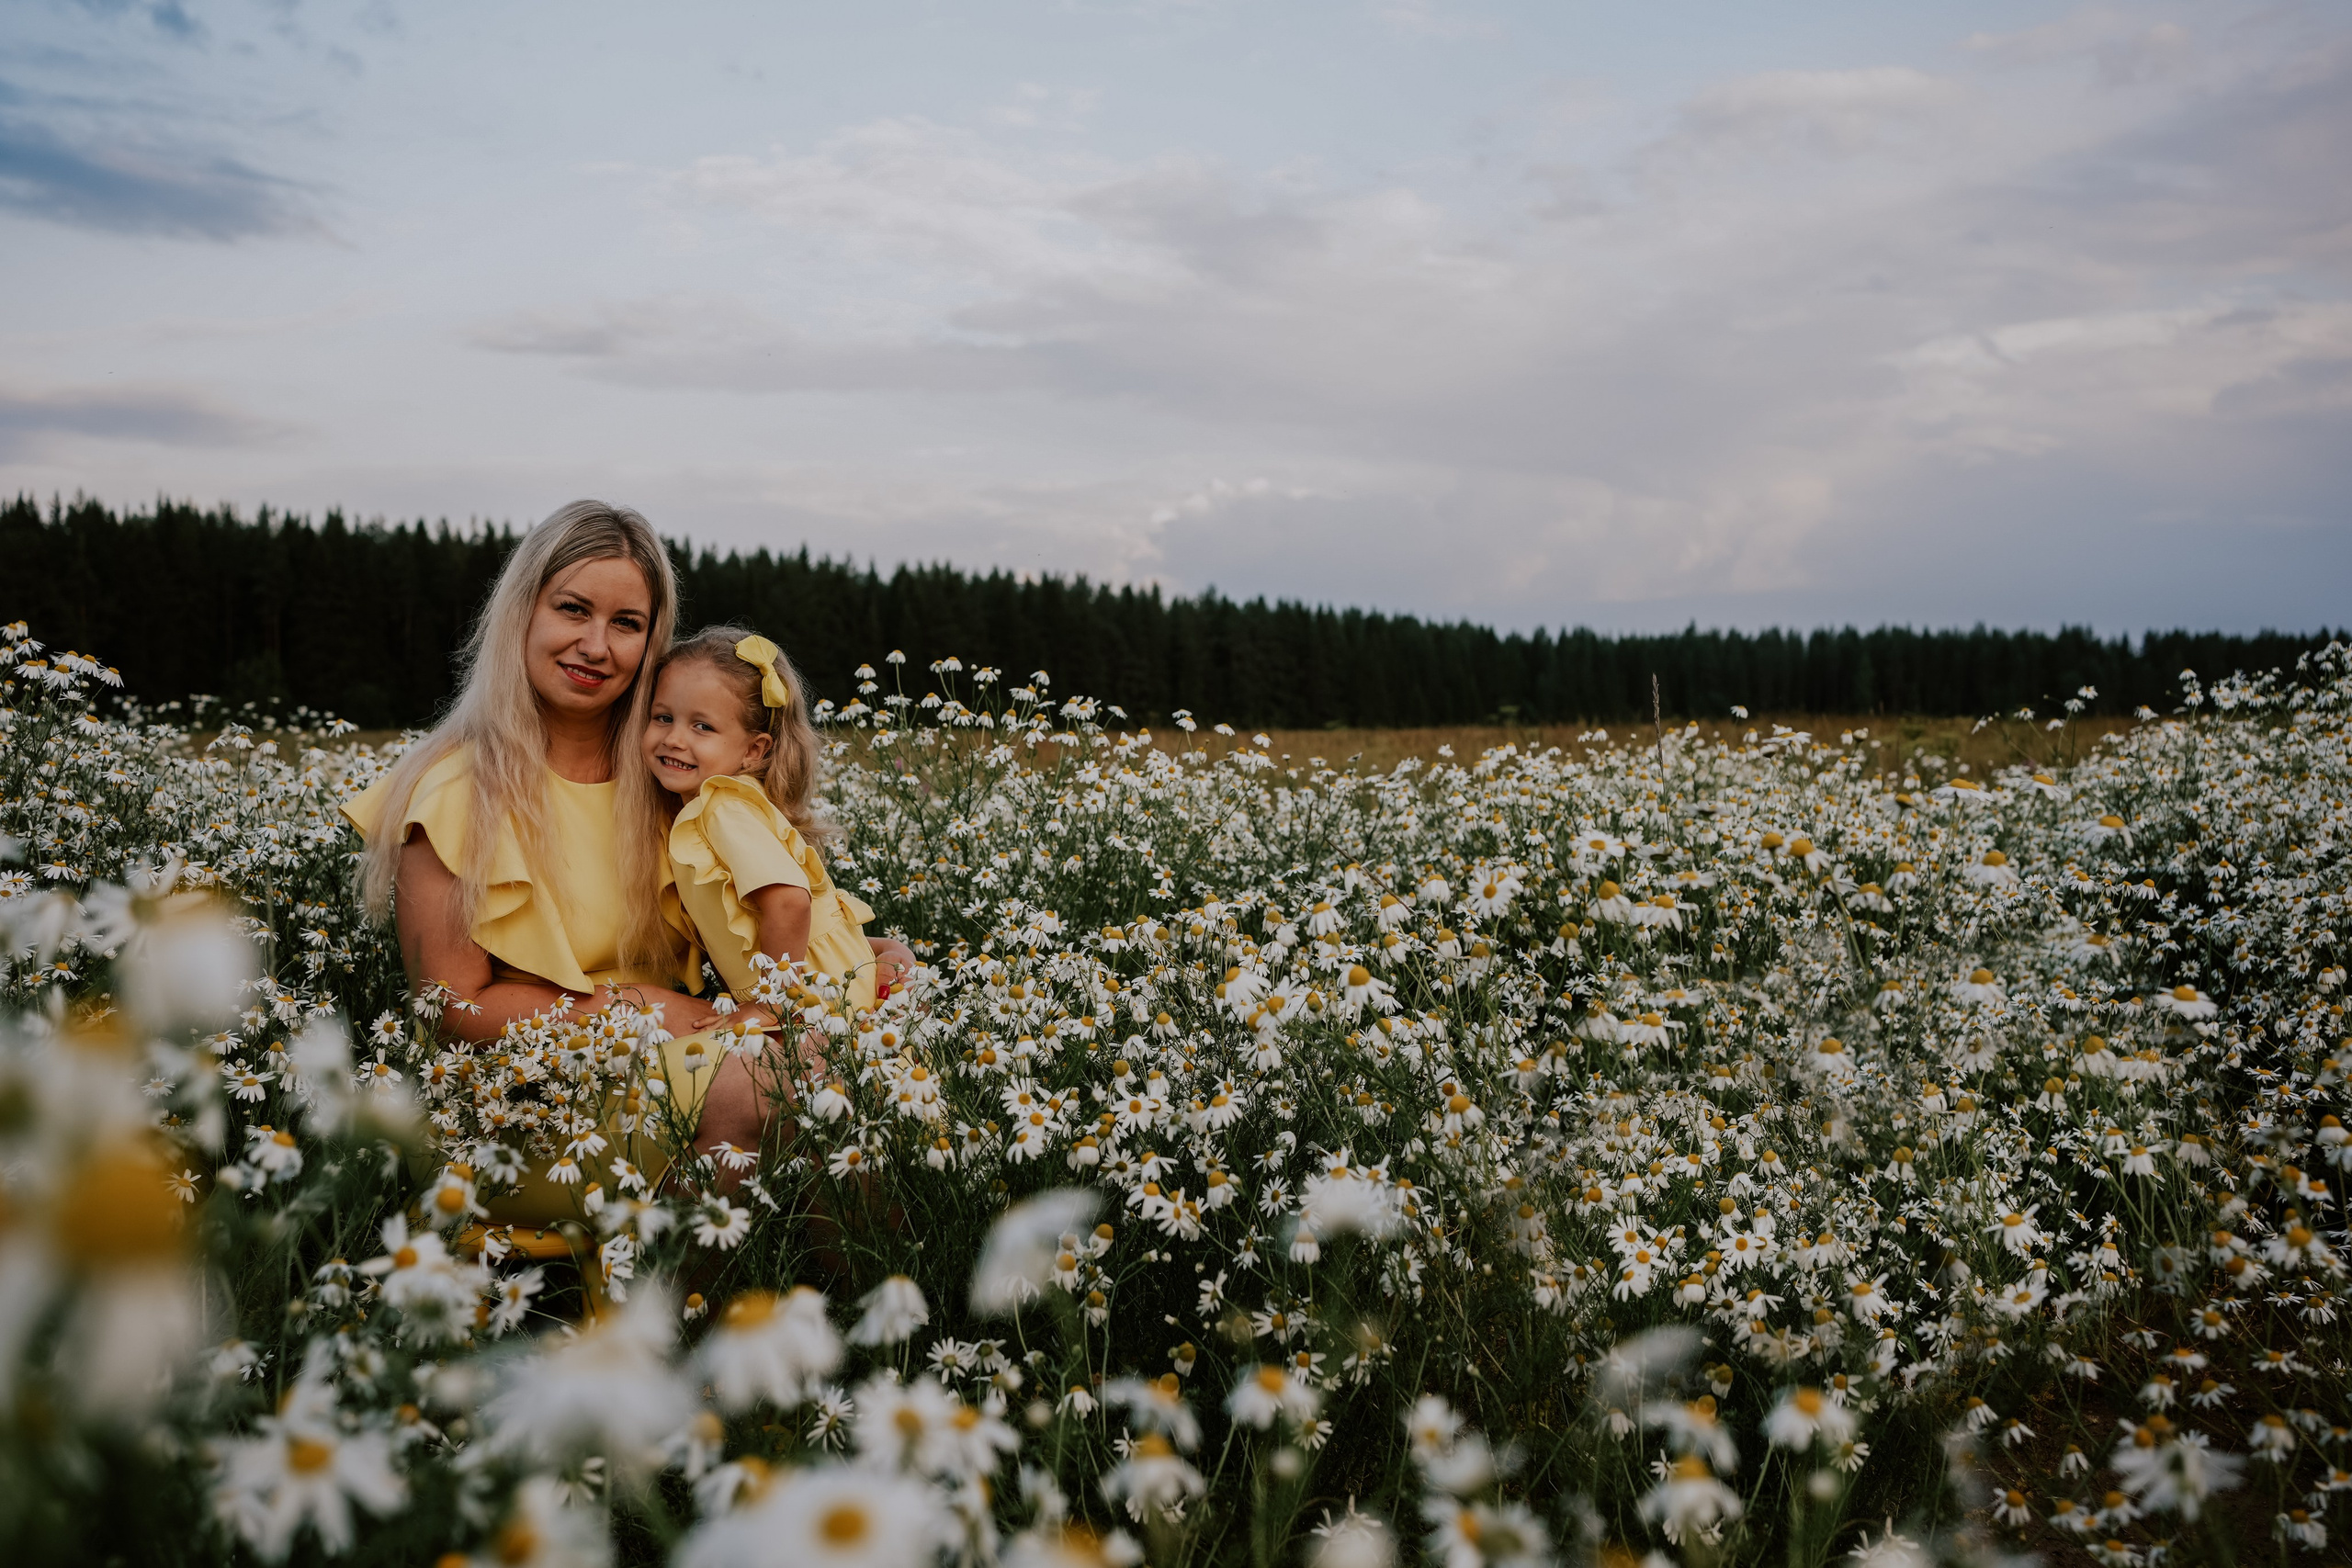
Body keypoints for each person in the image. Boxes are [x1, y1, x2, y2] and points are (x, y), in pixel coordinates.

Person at [343, 501, 771, 1206]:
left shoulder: (673, 781)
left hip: (676, 1060)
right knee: (752, 1082)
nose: (596, 645)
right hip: (520, 1115)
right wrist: (637, 1008)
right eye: (573, 609)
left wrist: (869, 955)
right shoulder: (455, 789)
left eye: (626, 623)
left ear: (651, 642)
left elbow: (762, 915)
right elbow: (452, 1010)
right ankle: (681, 1283)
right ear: (523, 613)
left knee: (842, 1057)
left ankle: (870, 1282)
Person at [642, 626, 913, 1018]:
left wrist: (771, 1002)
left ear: (754, 750)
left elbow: (789, 902)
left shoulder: (722, 807)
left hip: (813, 999)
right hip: (826, 986)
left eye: (703, 726)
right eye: (663, 717)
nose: (674, 739)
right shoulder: (719, 807)